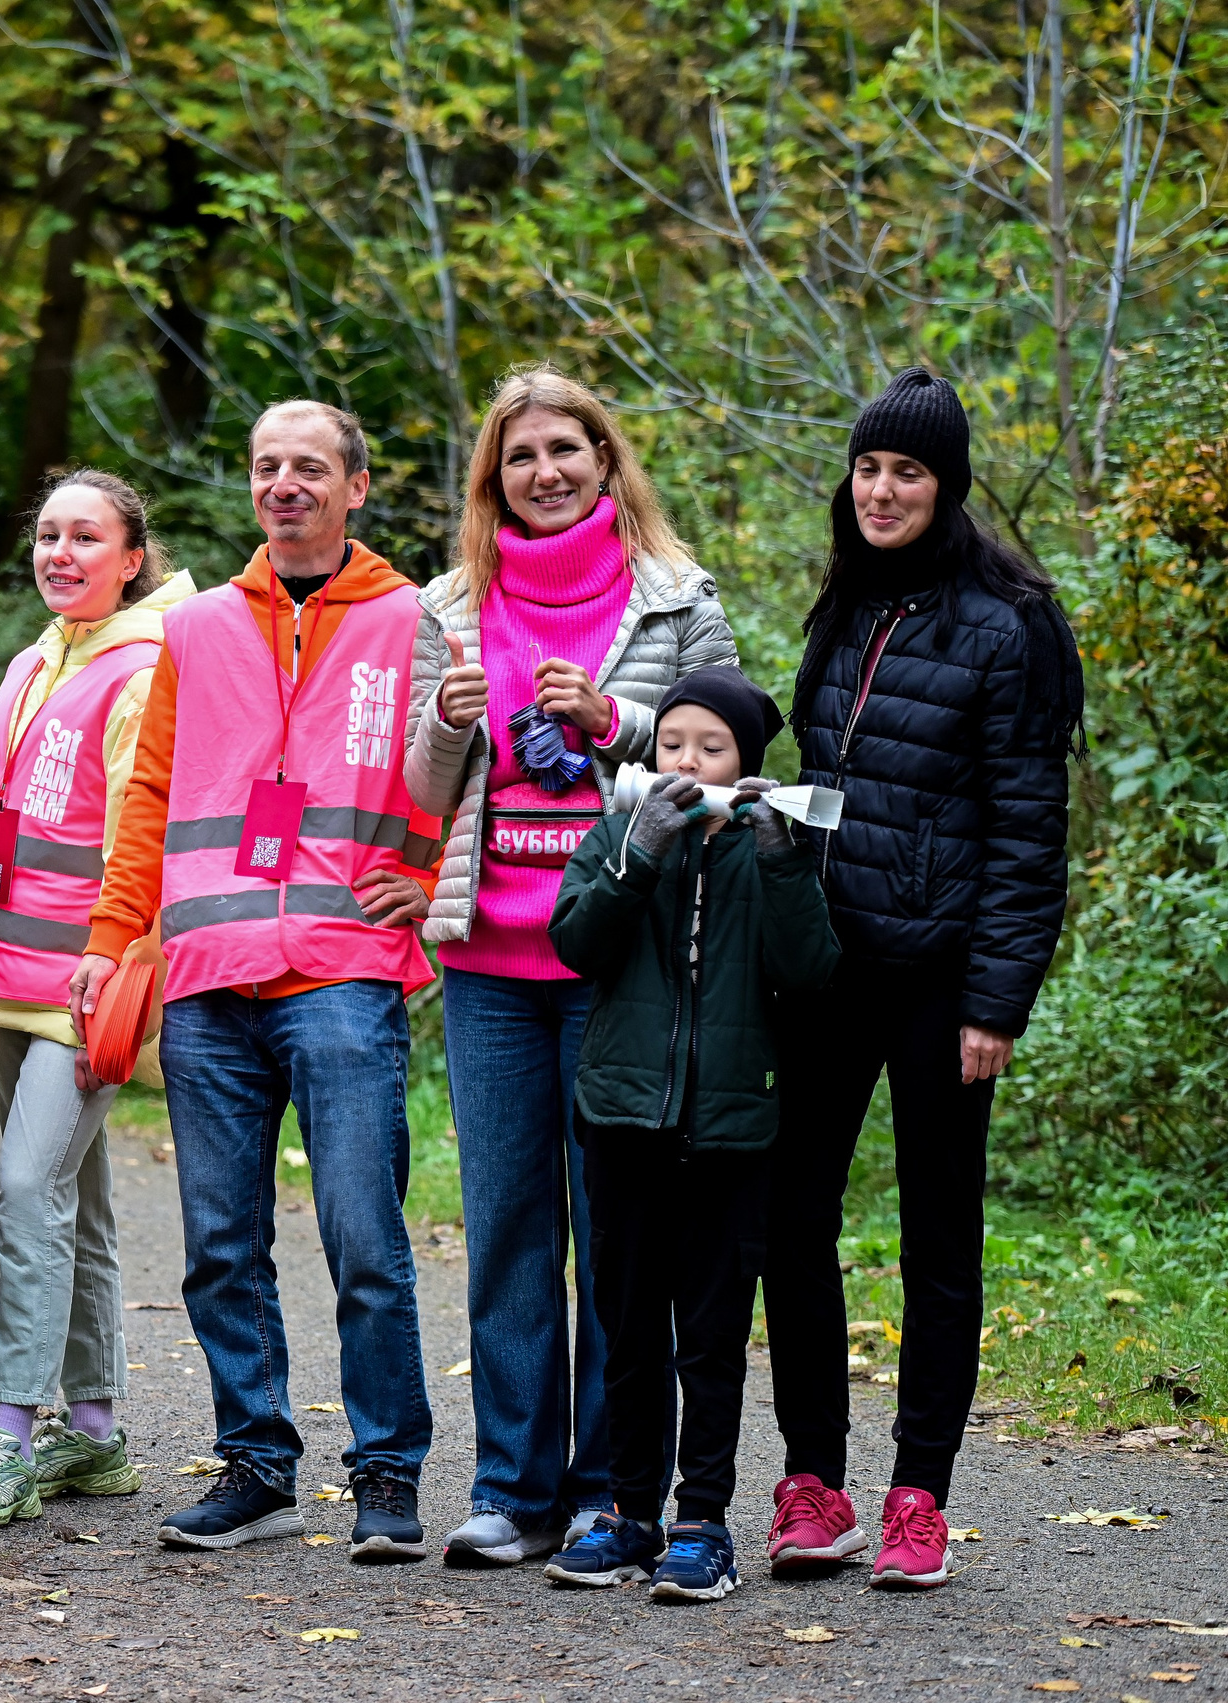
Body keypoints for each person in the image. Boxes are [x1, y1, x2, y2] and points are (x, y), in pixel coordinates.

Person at [72, 401, 443, 1560]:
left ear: (356, 486)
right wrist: (113, 934)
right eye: (266, 465)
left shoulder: (413, 617)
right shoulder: (195, 627)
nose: (285, 482)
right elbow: (147, 794)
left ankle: (386, 1471)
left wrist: (431, 883)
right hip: (208, 973)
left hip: (342, 968)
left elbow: (460, 766)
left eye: (309, 466)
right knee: (220, 1246)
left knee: (364, 1238)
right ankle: (257, 1465)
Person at [403, 365, 736, 1565]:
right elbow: (423, 789)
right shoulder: (449, 603)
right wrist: (446, 722)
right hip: (489, 964)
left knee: (617, 1236)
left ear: (603, 458)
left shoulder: (678, 598)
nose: (543, 471)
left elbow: (728, 756)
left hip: (619, 962)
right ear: (492, 477)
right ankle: (511, 1486)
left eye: (564, 449)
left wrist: (613, 723)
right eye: (520, 455)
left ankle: (610, 1487)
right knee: (506, 1228)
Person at [764, 369, 1081, 1590]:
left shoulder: (1007, 625)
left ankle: (918, 1497)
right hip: (826, 970)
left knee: (936, 1237)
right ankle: (814, 1484)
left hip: (943, 978)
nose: (882, 490)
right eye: (868, 468)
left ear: (946, 486)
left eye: (907, 471)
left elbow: (1027, 832)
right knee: (789, 1219)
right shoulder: (843, 606)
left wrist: (997, 1000)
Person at [0, 471, 194, 1527]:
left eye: (86, 536)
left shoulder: (144, 668)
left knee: (25, 1185)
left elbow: (145, 834)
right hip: (10, 970)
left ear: (131, 558)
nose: (61, 552)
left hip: (87, 981)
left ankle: (10, 1435)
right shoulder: (38, 657)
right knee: (71, 1194)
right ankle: (94, 1429)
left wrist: (114, 954)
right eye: (47, 534)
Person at [541, 668, 840, 1601]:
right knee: (627, 1328)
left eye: (712, 749)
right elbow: (575, 943)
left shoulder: (768, 846)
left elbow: (812, 970)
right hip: (622, 1120)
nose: (688, 762)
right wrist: (640, 854)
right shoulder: (619, 831)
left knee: (709, 1338)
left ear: (746, 762)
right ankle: (629, 1513)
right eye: (672, 744)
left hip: (731, 1130)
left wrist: (782, 857)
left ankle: (703, 1521)